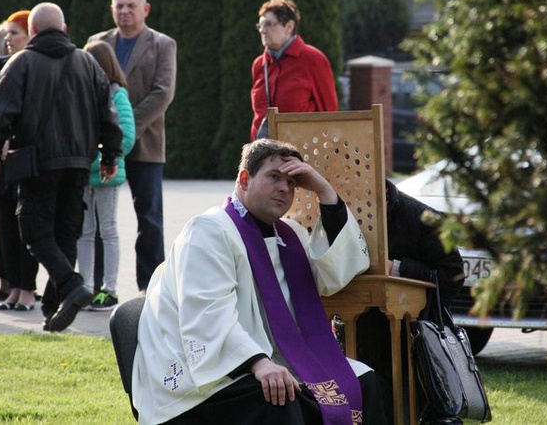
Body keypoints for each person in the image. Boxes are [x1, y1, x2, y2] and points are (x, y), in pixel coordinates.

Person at [132, 138, 387, 425]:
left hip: (271, 357)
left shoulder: (289, 235)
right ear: (244, 179)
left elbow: (334, 274)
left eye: (292, 182)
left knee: (364, 381)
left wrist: (324, 190)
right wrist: (258, 362)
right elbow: (206, 314)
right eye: (274, 177)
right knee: (279, 397)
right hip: (201, 378)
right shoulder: (209, 231)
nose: (284, 188)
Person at [0, 2, 122, 332]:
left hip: (37, 161)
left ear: (32, 31)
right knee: (65, 233)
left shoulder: (21, 63)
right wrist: (110, 156)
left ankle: (71, 287)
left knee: (33, 230)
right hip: (78, 163)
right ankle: (52, 308)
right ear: (64, 29)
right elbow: (109, 114)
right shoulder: (88, 62)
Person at [88, 0, 176, 293]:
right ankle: (97, 284)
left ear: (145, 9)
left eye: (131, 6)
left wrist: (123, 130)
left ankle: (151, 287)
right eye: (119, 6)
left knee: (150, 220)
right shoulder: (96, 43)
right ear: (112, 10)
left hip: (146, 144)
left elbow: (163, 93)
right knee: (97, 221)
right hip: (100, 149)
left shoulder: (163, 44)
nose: (125, 11)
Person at [356, 179, 465, 424]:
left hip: (411, 344)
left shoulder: (421, 217)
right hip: (357, 335)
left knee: (403, 412)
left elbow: (453, 274)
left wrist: (398, 269)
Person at [0, 10, 39, 312]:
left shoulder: (37, 66)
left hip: (27, 157)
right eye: (6, 33)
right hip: (0, 159)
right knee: (6, 225)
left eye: (15, 32)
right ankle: (12, 287)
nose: (7, 38)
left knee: (27, 224)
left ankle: (28, 288)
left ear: (31, 34)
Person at [78, 41, 135, 311]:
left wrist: (100, 161)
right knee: (84, 232)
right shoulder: (81, 92)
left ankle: (109, 289)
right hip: (84, 174)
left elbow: (125, 136)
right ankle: (86, 287)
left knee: (108, 230)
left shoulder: (116, 94)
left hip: (106, 174)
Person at [249, 0, 338, 140]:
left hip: (303, 156)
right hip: (265, 157)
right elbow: (258, 117)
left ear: (289, 27)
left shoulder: (313, 59)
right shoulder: (259, 65)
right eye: (260, 25)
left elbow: (330, 115)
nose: (263, 31)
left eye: (269, 24)